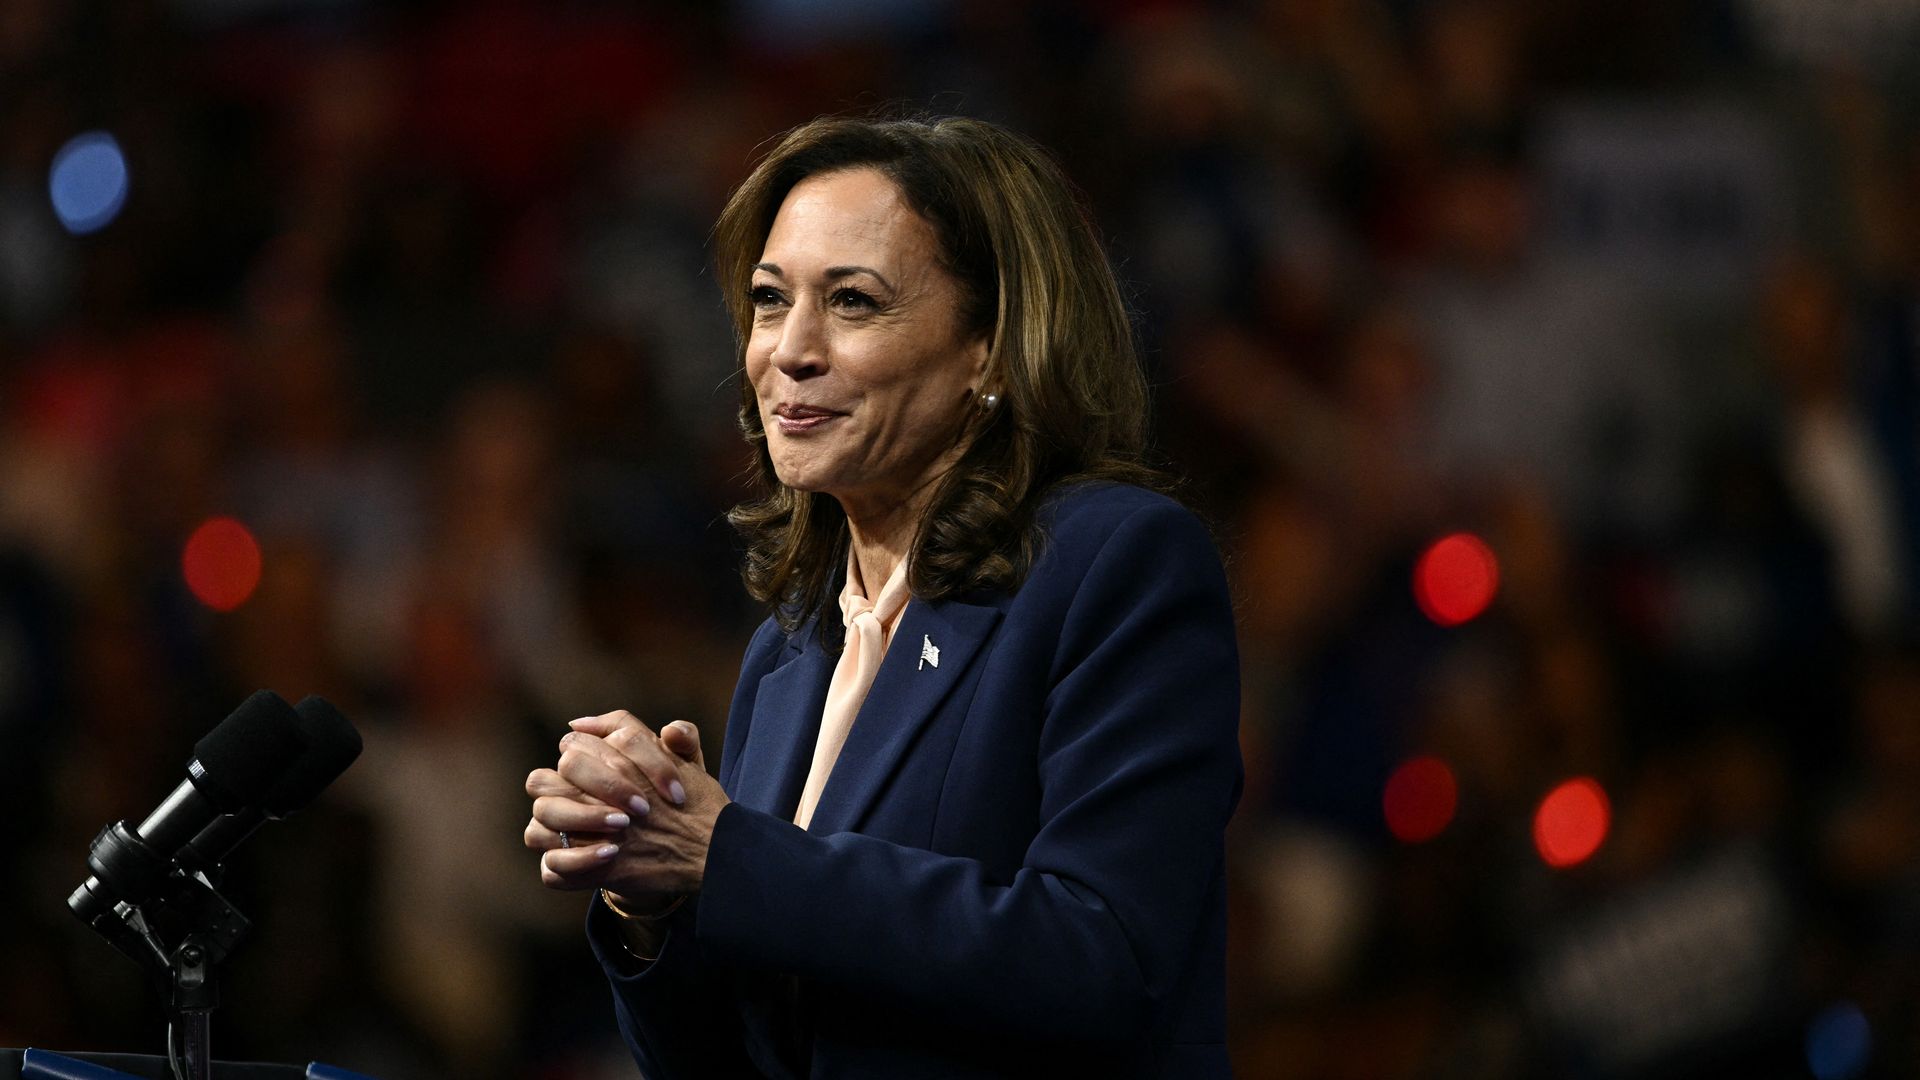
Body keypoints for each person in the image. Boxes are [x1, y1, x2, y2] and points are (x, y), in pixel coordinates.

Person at [522, 114, 1242, 1077]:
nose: (790, 349)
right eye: (770, 300)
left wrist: (724, 855)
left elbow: (1103, 957)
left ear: (991, 346)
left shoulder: (1112, 563)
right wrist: (653, 898)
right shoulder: (789, 649)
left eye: (853, 302)